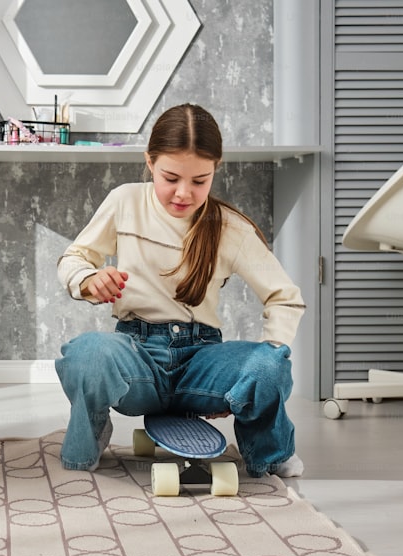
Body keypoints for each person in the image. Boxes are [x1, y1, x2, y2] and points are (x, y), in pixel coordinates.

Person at [54, 103, 306, 478]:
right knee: (86, 354)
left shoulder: (229, 228)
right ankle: (90, 434)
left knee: (270, 365)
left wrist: (249, 374)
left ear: (215, 170)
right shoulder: (125, 202)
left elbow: (285, 297)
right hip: (137, 360)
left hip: (201, 365)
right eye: (170, 177)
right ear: (150, 162)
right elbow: (73, 258)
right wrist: (89, 280)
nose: (183, 193)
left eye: (199, 181)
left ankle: (268, 452)